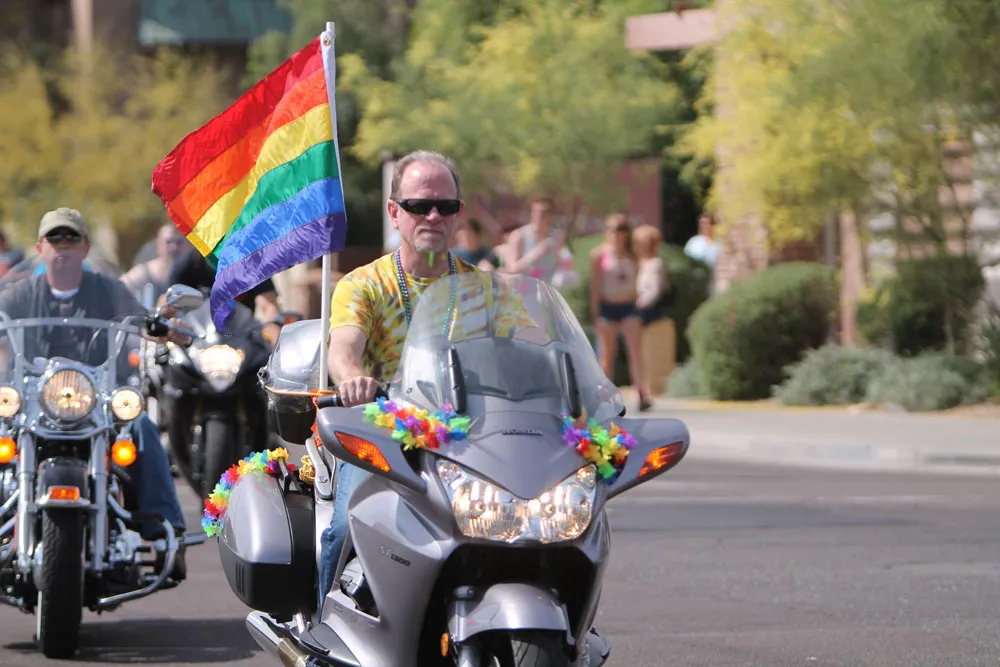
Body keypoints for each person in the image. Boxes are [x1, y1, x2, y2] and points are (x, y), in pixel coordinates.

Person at [320, 150, 522, 604]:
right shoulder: (363, 285)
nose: (432, 216)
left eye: (444, 206)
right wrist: (352, 379)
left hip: (474, 441)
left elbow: (530, 356)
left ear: (458, 213)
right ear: (395, 212)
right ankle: (322, 631)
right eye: (418, 205)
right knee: (346, 525)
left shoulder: (490, 291)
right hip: (383, 436)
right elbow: (343, 348)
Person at [0, 208, 190, 580]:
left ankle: (167, 534)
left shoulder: (108, 289)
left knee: (142, 428)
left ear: (85, 247)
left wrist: (164, 327)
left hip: (100, 396)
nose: (63, 245)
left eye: (71, 238)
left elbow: (142, 320)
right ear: (40, 247)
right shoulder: (21, 292)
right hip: (35, 400)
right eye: (55, 238)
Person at [589, 214, 650, 412]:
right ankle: (604, 397)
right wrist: (595, 312)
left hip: (628, 305)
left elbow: (638, 277)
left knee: (635, 351)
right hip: (608, 306)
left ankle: (642, 393)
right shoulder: (599, 255)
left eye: (622, 229)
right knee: (607, 355)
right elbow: (595, 285)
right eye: (614, 229)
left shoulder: (633, 254)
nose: (617, 234)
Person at [167, 245, 283, 344]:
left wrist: (272, 329)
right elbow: (168, 304)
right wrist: (169, 324)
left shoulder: (251, 263)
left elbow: (268, 305)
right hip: (195, 340)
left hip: (243, 339)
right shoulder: (188, 264)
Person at [633, 224, 676, 401]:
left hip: (648, 311)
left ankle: (650, 386)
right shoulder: (640, 263)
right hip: (637, 307)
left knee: (647, 350)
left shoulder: (656, 264)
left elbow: (655, 290)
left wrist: (640, 305)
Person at [502, 196, 576, 285]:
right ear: (532, 213)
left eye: (546, 212)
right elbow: (511, 269)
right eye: (538, 212)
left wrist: (558, 255)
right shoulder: (519, 236)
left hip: (550, 286)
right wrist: (535, 254)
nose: (542, 216)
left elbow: (565, 264)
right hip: (526, 286)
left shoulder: (557, 236)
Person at [120, 223, 187, 305]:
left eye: (179, 242)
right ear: (158, 244)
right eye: (168, 242)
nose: (173, 247)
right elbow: (119, 288)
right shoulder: (144, 273)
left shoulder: (193, 273)